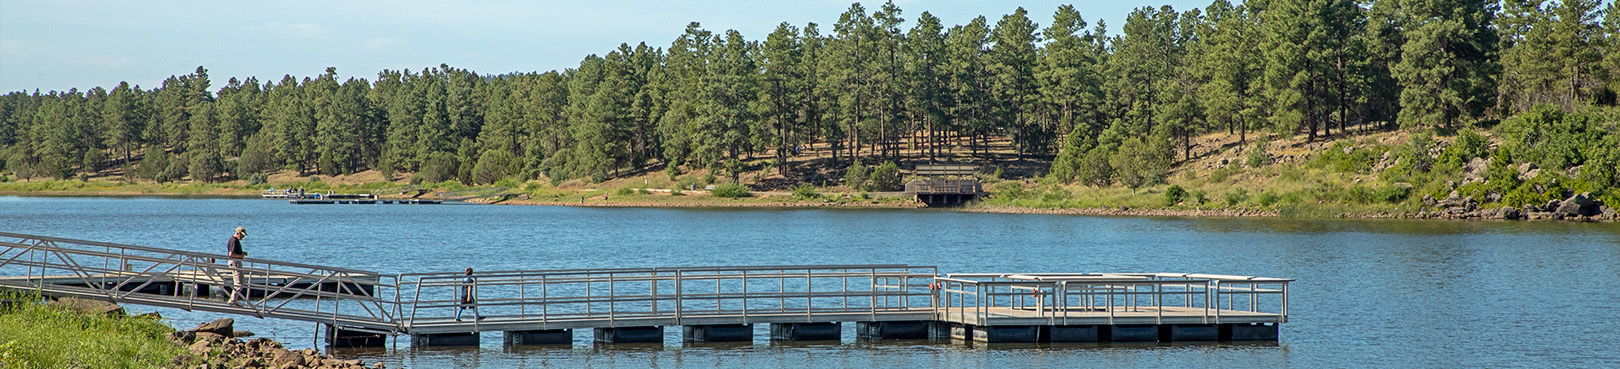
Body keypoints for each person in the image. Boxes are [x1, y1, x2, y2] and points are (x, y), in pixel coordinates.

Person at [225, 227, 248, 305]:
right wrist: (241, 256)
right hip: (235, 263)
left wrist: (242, 253)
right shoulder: (233, 240)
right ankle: (232, 301)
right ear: (238, 233)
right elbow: (231, 254)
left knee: (241, 282)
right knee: (239, 283)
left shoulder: (236, 240)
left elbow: (235, 252)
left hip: (236, 262)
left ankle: (234, 300)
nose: (243, 237)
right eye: (242, 235)